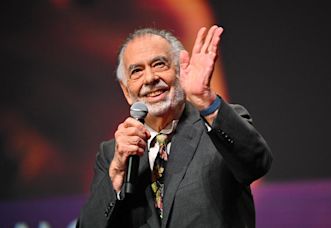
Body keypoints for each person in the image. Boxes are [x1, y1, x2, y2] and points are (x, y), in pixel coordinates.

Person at [77, 25, 272, 228]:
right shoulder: (112, 154)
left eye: (159, 64)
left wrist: (205, 100)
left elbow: (257, 164)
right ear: (127, 92)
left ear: (180, 72)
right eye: (137, 71)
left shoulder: (217, 123)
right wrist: (116, 175)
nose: (150, 78)